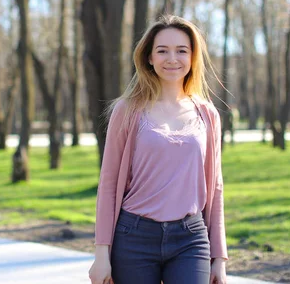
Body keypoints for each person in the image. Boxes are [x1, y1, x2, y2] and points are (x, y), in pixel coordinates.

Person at [89, 15, 228, 284]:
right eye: (162, 50)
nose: (172, 58)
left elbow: (216, 188)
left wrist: (219, 258)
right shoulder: (127, 110)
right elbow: (108, 184)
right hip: (134, 238)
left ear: (192, 57)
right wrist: (101, 253)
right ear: (149, 58)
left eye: (181, 51)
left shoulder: (208, 114)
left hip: (191, 238)